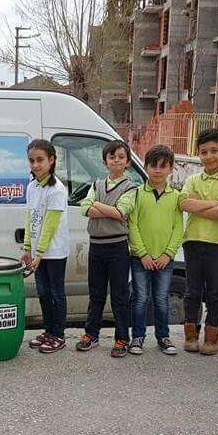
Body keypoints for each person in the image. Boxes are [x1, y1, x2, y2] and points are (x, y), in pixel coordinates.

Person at [76, 140, 137, 357]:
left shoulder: (130, 188)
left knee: (120, 295)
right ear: (105, 162)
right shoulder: (96, 185)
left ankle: (122, 339)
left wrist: (98, 206)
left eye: (121, 157)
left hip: (118, 247)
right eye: (112, 157)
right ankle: (91, 335)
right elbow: (84, 208)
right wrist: (107, 209)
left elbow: (121, 212)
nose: (116, 160)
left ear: (127, 162)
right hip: (97, 247)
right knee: (96, 294)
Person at [178, 129, 218, 356]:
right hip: (192, 241)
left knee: (215, 292)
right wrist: (213, 203)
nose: (209, 156)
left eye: (214, 151)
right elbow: (183, 204)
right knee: (192, 291)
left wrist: (199, 203)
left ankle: (213, 337)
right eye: (204, 152)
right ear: (198, 154)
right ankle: (191, 334)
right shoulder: (192, 179)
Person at [127, 145, 184, 356]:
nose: (158, 170)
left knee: (161, 298)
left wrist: (168, 254)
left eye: (163, 166)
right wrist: (142, 253)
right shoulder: (137, 194)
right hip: (140, 258)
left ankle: (163, 336)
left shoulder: (175, 196)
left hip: (164, 260)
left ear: (171, 169)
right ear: (146, 167)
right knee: (140, 298)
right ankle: (138, 337)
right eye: (153, 166)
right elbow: (132, 225)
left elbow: (178, 227)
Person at [22, 139, 70, 354]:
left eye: (40, 160)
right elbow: (30, 217)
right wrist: (26, 247)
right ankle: (48, 331)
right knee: (43, 292)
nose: (35, 165)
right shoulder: (32, 186)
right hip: (37, 252)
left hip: (54, 252)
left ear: (51, 160)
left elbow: (49, 226)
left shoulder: (57, 189)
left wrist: (39, 253)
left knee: (56, 294)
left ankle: (58, 335)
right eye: (31, 160)